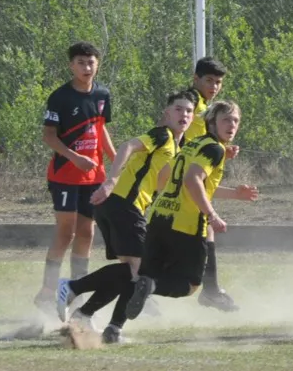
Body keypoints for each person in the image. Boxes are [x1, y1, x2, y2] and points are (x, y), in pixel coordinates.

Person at [56, 91, 196, 344]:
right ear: (166, 113)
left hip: (120, 206)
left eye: (188, 111)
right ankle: (75, 290)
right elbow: (127, 146)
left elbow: (164, 182)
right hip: (123, 204)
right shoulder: (162, 135)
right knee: (141, 272)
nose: (183, 115)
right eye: (178, 109)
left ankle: (88, 318)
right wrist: (110, 181)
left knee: (130, 274)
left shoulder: (177, 147)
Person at [124, 101, 259, 319]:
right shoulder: (214, 149)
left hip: (159, 217)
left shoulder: (193, 144)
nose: (232, 125)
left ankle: (109, 325)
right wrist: (212, 215)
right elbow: (192, 180)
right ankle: (152, 288)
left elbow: (175, 181)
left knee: (145, 277)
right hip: (186, 225)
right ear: (212, 122)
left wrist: (235, 194)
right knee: (189, 285)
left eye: (235, 120)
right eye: (226, 119)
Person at [35, 42, 115, 314]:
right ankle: (47, 290)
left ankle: (77, 289)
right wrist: (74, 157)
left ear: (97, 64)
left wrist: (115, 159)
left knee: (86, 232)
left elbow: (101, 129)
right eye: (81, 62)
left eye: (91, 62)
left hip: (93, 176)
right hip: (65, 175)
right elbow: (49, 136)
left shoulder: (103, 93)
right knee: (66, 232)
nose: (86, 67)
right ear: (71, 66)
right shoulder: (60, 97)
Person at [184, 57, 241, 312]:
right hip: (178, 174)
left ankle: (210, 289)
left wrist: (221, 150)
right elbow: (173, 125)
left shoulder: (205, 106)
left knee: (204, 230)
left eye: (218, 82)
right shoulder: (190, 101)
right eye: (209, 80)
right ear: (195, 79)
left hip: (189, 172)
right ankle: (142, 284)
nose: (214, 86)